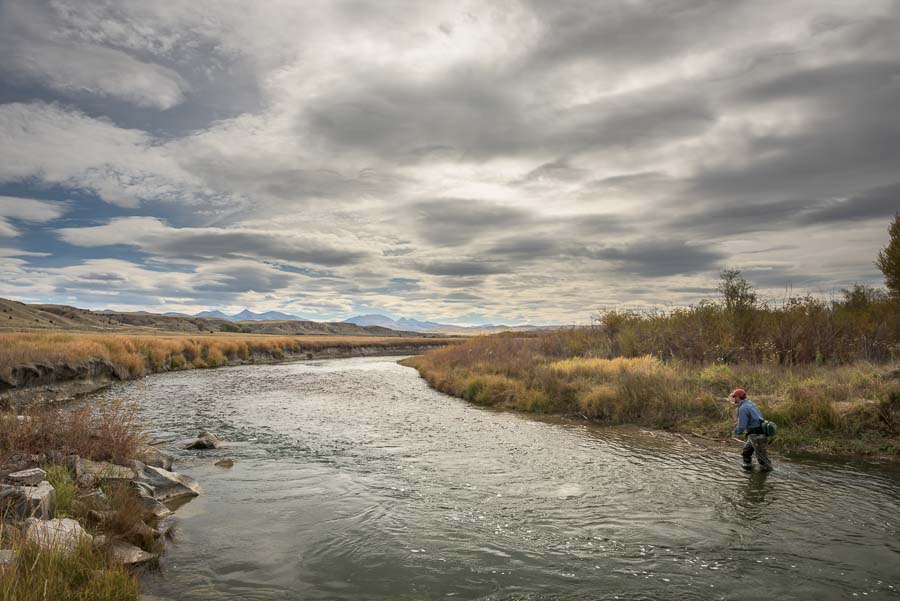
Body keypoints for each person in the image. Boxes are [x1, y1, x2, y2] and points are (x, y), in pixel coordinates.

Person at [730, 388, 773, 472]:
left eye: (734, 397)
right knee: (746, 453)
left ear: (738, 397)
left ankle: (767, 475)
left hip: (757, 436)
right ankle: (748, 470)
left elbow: (741, 427)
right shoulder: (750, 403)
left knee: (763, 460)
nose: (733, 398)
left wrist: (736, 431)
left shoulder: (743, 408)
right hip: (756, 434)